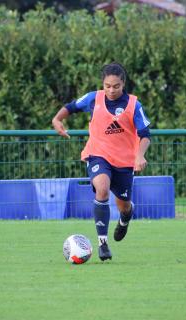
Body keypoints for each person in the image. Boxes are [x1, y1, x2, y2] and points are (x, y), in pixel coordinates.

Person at [52, 62, 151, 261]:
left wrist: (140, 155)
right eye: (107, 85)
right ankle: (102, 244)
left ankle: (125, 218)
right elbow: (70, 107)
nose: (111, 90)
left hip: (124, 161)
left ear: (123, 83)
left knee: (124, 205)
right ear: (102, 84)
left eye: (116, 86)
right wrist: (57, 120)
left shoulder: (134, 105)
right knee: (102, 188)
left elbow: (145, 135)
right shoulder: (92, 98)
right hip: (98, 155)